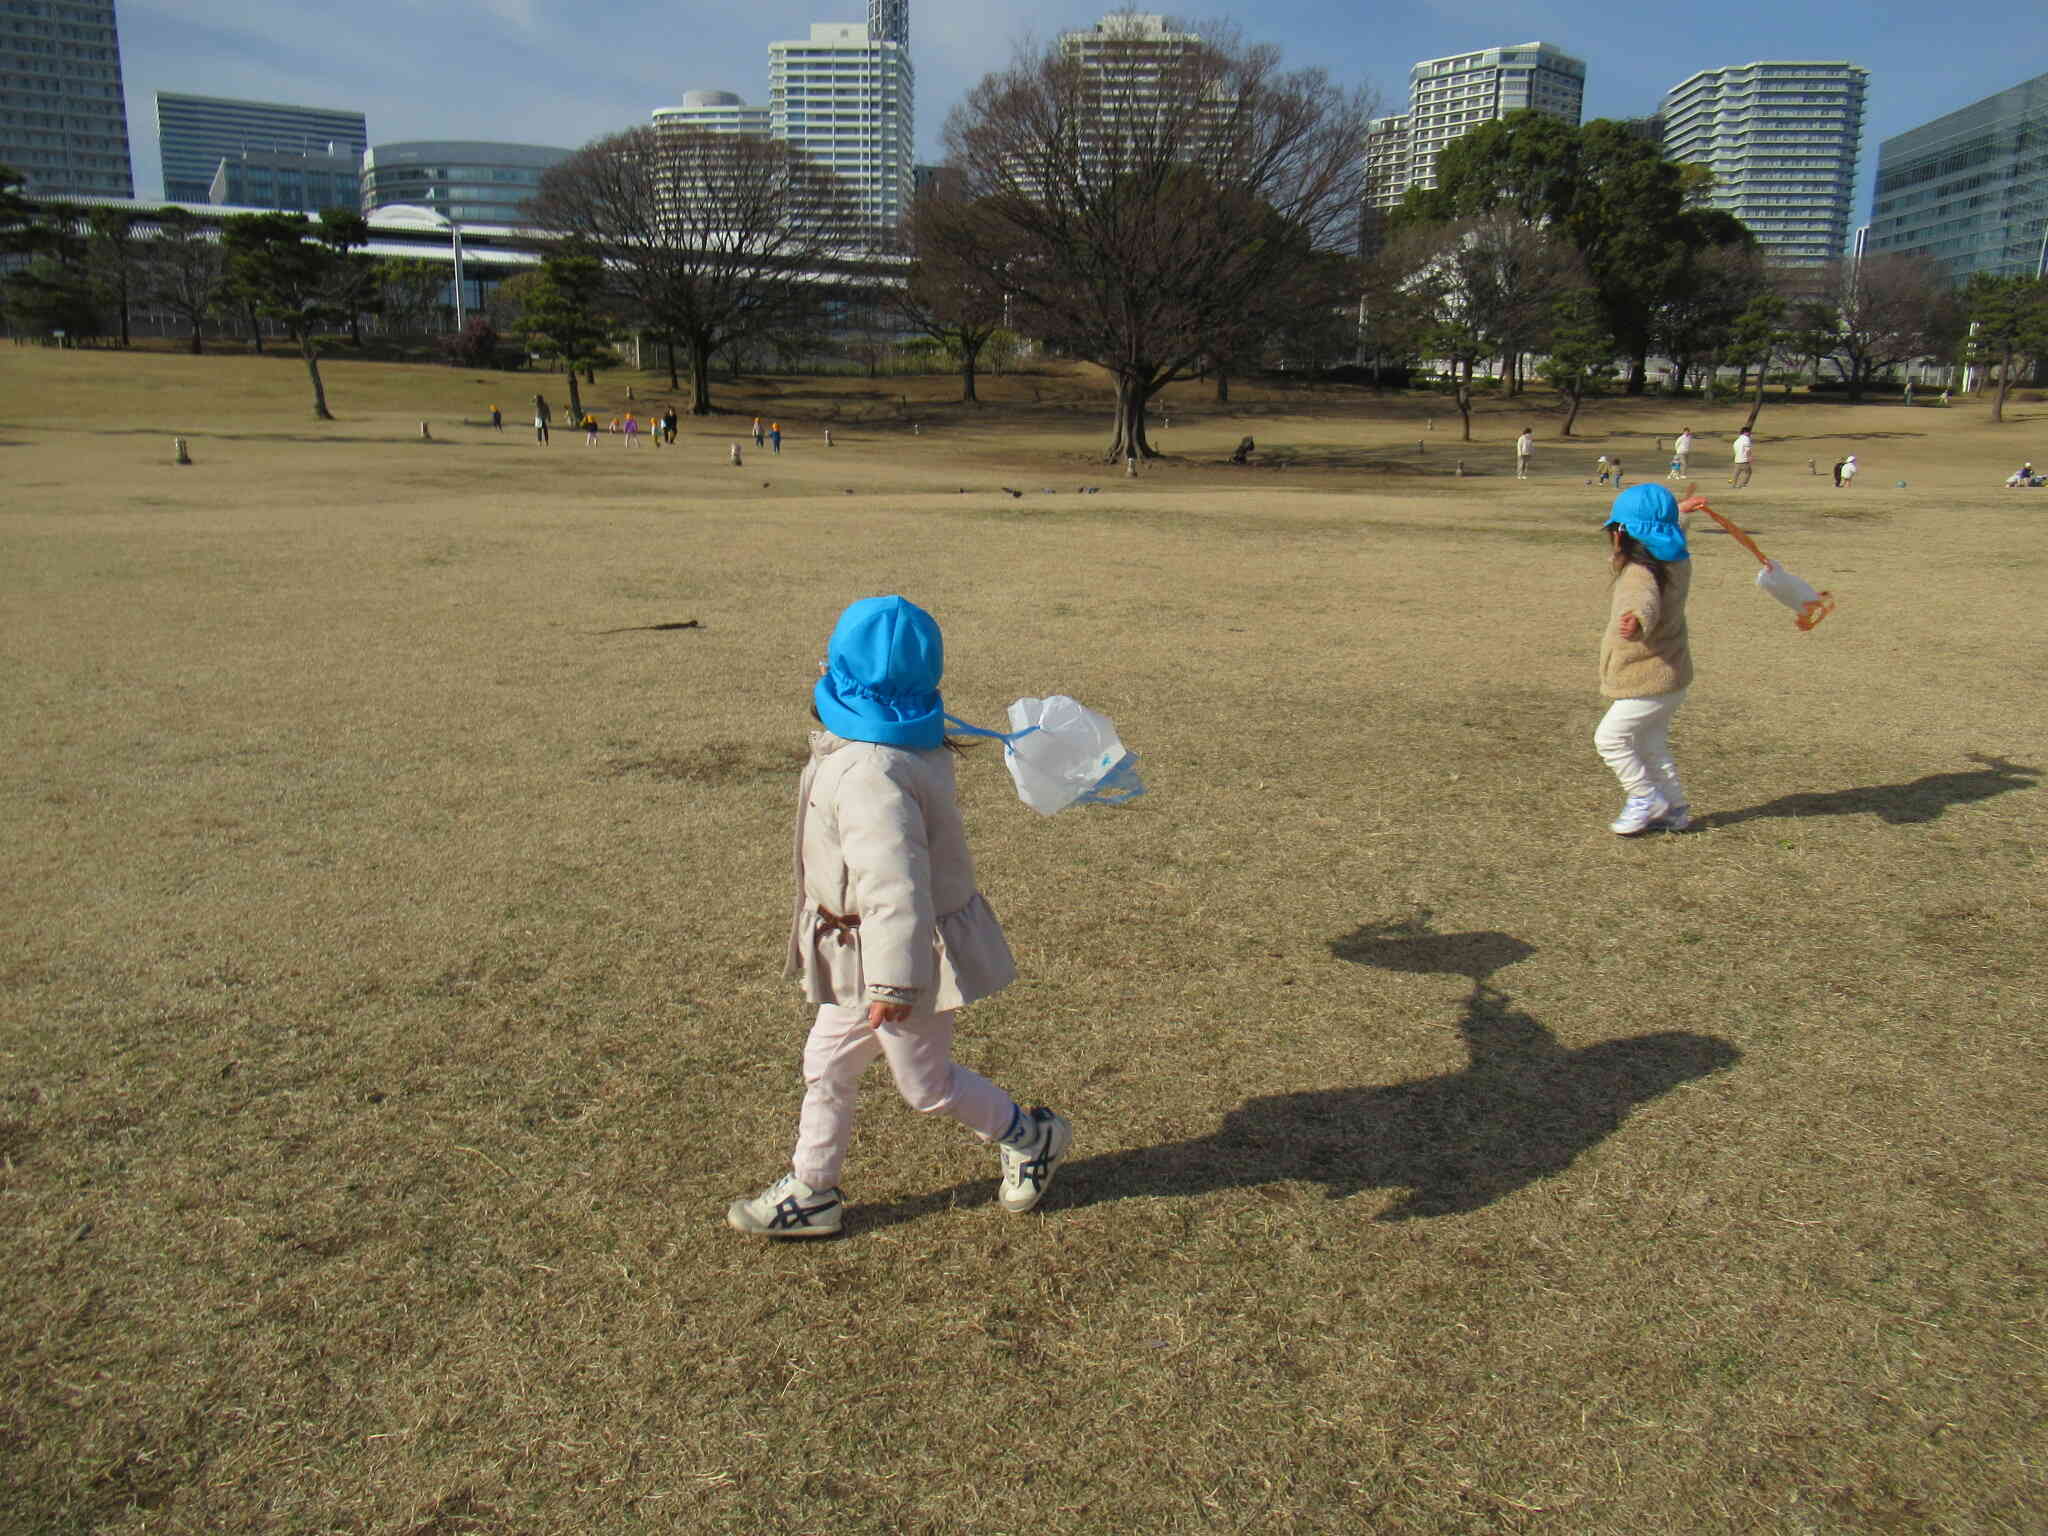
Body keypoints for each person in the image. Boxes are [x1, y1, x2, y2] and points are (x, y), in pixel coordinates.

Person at [727, 596, 1073, 1238]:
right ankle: (814, 1189)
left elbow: (896, 888)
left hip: (900, 959)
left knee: (925, 1085)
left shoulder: (871, 771)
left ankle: (1032, 1135)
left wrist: (892, 983)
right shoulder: (876, 748)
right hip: (862, 950)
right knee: (826, 1063)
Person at [1596, 484, 1704, 836]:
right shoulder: (1675, 559)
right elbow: (1668, 531)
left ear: (1623, 533)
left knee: (1609, 739)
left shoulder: (1640, 573)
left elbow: (1643, 603)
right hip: (1671, 678)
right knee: (1650, 745)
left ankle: (1645, 798)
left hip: (1648, 679)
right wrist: (1681, 513)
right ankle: (1676, 809)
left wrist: (1637, 622)